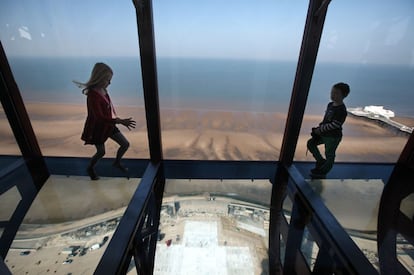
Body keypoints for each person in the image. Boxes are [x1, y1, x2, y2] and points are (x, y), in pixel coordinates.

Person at [74, 62, 136, 180]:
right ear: (100, 78)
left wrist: (115, 120)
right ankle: (90, 168)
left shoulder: (103, 90)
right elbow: (99, 117)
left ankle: (117, 162)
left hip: (109, 125)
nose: (109, 83)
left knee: (125, 144)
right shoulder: (93, 95)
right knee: (101, 152)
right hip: (97, 128)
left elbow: (107, 108)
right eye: (108, 80)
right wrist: (119, 121)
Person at [307, 82, 350, 179]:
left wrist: (320, 130)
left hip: (333, 137)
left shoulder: (341, 110)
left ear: (344, 95)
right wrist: (319, 129)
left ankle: (323, 171)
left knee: (329, 154)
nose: (333, 95)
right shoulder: (330, 105)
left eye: (336, 93)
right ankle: (320, 161)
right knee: (311, 143)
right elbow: (326, 120)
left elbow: (335, 125)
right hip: (325, 134)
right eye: (332, 92)